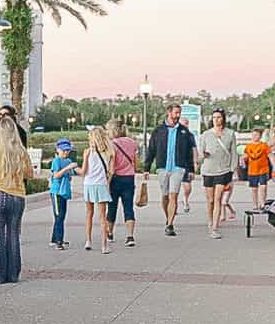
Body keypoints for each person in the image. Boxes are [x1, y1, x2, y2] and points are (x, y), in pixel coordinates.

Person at [0, 117, 33, 284]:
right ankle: (13, 274)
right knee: (13, 235)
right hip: (17, 196)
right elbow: (30, 174)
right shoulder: (21, 151)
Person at [144, 104, 197, 237]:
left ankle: (170, 224)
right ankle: (168, 217)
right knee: (165, 196)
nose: (177, 116)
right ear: (169, 112)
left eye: (179, 113)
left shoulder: (184, 132)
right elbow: (151, 149)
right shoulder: (159, 130)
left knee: (174, 195)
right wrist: (146, 168)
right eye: (175, 113)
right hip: (162, 167)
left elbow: (188, 153)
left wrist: (190, 169)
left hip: (178, 168)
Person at [198, 108, 238, 239]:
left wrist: (233, 170)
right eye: (214, 117)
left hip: (224, 170)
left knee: (218, 199)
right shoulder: (206, 134)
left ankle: (215, 227)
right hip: (208, 170)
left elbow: (234, 153)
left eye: (219, 117)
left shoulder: (230, 134)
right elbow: (200, 153)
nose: (216, 120)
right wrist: (202, 155)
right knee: (210, 200)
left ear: (223, 119)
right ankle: (210, 221)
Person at [80, 125, 115, 254]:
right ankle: (104, 245)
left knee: (89, 213)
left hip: (88, 184)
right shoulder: (109, 153)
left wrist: (74, 168)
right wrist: (107, 183)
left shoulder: (87, 152)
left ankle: (88, 241)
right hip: (102, 185)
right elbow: (111, 171)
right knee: (102, 217)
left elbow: (84, 171)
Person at [107, 120, 140, 248]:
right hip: (129, 178)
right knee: (128, 207)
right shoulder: (133, 142)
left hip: (115, 179)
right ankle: (130, 236)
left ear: (114, 131)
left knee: (112, 207)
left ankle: (110, 233)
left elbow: (111, 165)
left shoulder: (112, 144)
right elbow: (136, 163)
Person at [48, 139, 79, 250]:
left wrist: (70, 173)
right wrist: (67, 168)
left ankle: (55, 238)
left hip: (64, 191)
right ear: (58, 150)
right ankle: (59, 241)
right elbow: (56, 175)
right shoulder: (56, 161)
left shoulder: (69, 160)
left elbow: (71, 174)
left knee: (62, 216)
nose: (65, 153)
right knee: (59, 216)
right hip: (56, 192)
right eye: (63, 150)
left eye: (67, 150)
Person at [243, 128, 272, 209]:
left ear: (260, 136)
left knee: (263, 186)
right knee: (254, 189)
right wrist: (242, 159)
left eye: (256, 135)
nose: (254, 136)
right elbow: (246, 155)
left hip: (263, 169)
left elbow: (270, 155)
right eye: (253, 135)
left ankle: (262, 203)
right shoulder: (248, 146)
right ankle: (255, 204)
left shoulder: (264, 145)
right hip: (252, 170)